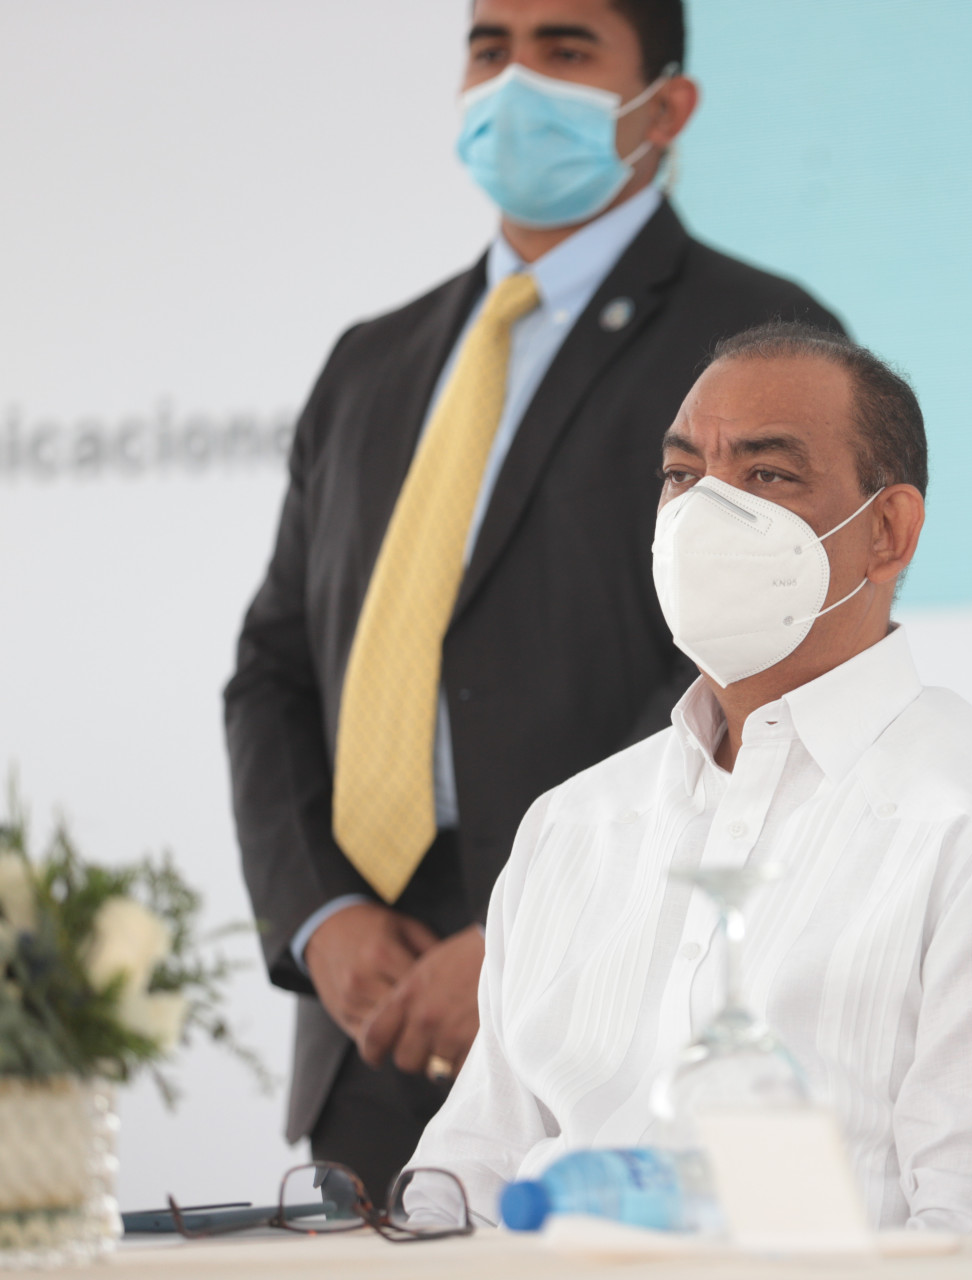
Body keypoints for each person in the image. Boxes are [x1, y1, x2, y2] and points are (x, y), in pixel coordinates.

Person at [223, 0, 842, 1202]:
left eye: (564, 49)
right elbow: (274, 667)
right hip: (373, 1018)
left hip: (624, 1000)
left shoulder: (766, 347)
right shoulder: (370, 361)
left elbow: (770, 664)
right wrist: (320, 915)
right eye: (489, 47)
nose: (515, 80)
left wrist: (531, 933)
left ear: (667, 107)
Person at [405, 323, 972, 1233]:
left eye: (766, 475)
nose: (704, 514)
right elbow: (463, 1175)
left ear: (887, 532)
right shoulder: (572, 825)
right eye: (682, 476)